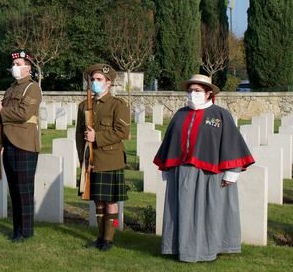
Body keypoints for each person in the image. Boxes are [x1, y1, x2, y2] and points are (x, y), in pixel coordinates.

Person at [153, 74, 255, 262]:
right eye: (190, 90)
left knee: (209, 212)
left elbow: (231, 142)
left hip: (210, 175)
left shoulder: (220, 115)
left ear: (208, 93)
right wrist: (167, 170)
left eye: (197, 91)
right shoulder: (180, 114)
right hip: (182, 173)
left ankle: (208, 250)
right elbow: (170, 142)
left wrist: (232, 173)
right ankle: (180, 248)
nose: (193, 94)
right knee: (181, 211)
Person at [75, 63, 130, 251]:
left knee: (111, 202)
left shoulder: (117, 105)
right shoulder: (84, 105)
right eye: (93, 79)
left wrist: (96, 137)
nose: (94, 83)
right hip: (91, 161)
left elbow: (122, 132)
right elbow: (78, 134)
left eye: (99, 80)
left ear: (109, 83)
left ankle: (109, 238)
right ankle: (99, 237)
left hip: (110, 160)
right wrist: (82, 158)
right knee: (97, 200)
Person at [0, 50, 42, 242]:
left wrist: (2, 110)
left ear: (28, 68)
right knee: (14, 189)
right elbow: (0, 120)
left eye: (19, 64)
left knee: (24, 191)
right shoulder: (11, 89)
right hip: (9, 143)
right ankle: (16, 230)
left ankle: (26, 231)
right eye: (14, 64)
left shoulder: (32, 88)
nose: (15, 67)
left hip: (25, 143)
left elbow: (23, 112)